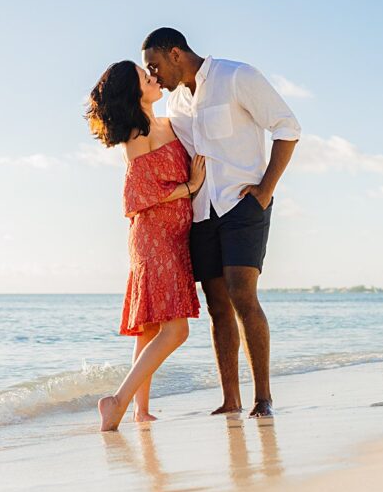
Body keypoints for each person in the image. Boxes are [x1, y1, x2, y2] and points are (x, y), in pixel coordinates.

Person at [142, 28, 301, 418]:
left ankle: (263, 399)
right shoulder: (176, 103)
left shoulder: (236, 76)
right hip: (200, 212)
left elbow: (288, 127)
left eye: (155, 65)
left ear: (175, 53)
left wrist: (265, 191)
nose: (154, 74)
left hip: (242, 204)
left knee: (242, 294)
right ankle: (231, 400)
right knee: (216, 306)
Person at [85, 60, 206, 431]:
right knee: (177, 330)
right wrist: (189, 187)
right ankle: (118, 401)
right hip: (153, 237)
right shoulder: (136, 135)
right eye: (144, 77)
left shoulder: (166, 123)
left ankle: (140, 410)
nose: (153, 78)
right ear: (133, 92)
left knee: (152, 328)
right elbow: (138, 194)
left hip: (173, 236)